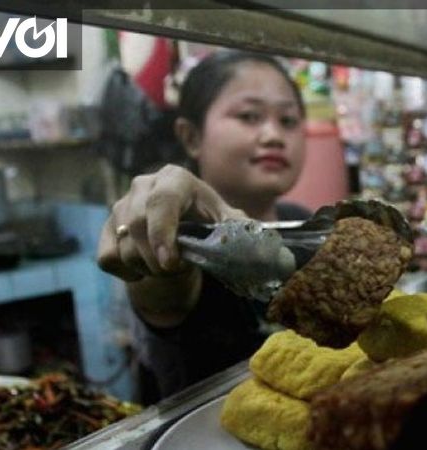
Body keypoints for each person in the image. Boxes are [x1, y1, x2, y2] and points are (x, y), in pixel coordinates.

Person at [97, 51, 310, 403]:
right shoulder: (188, 241)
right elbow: (164, 293)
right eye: (249, 116)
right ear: (191, 136)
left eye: (288, 120)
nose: (274, 134)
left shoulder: (301, 222)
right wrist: (158, 239)